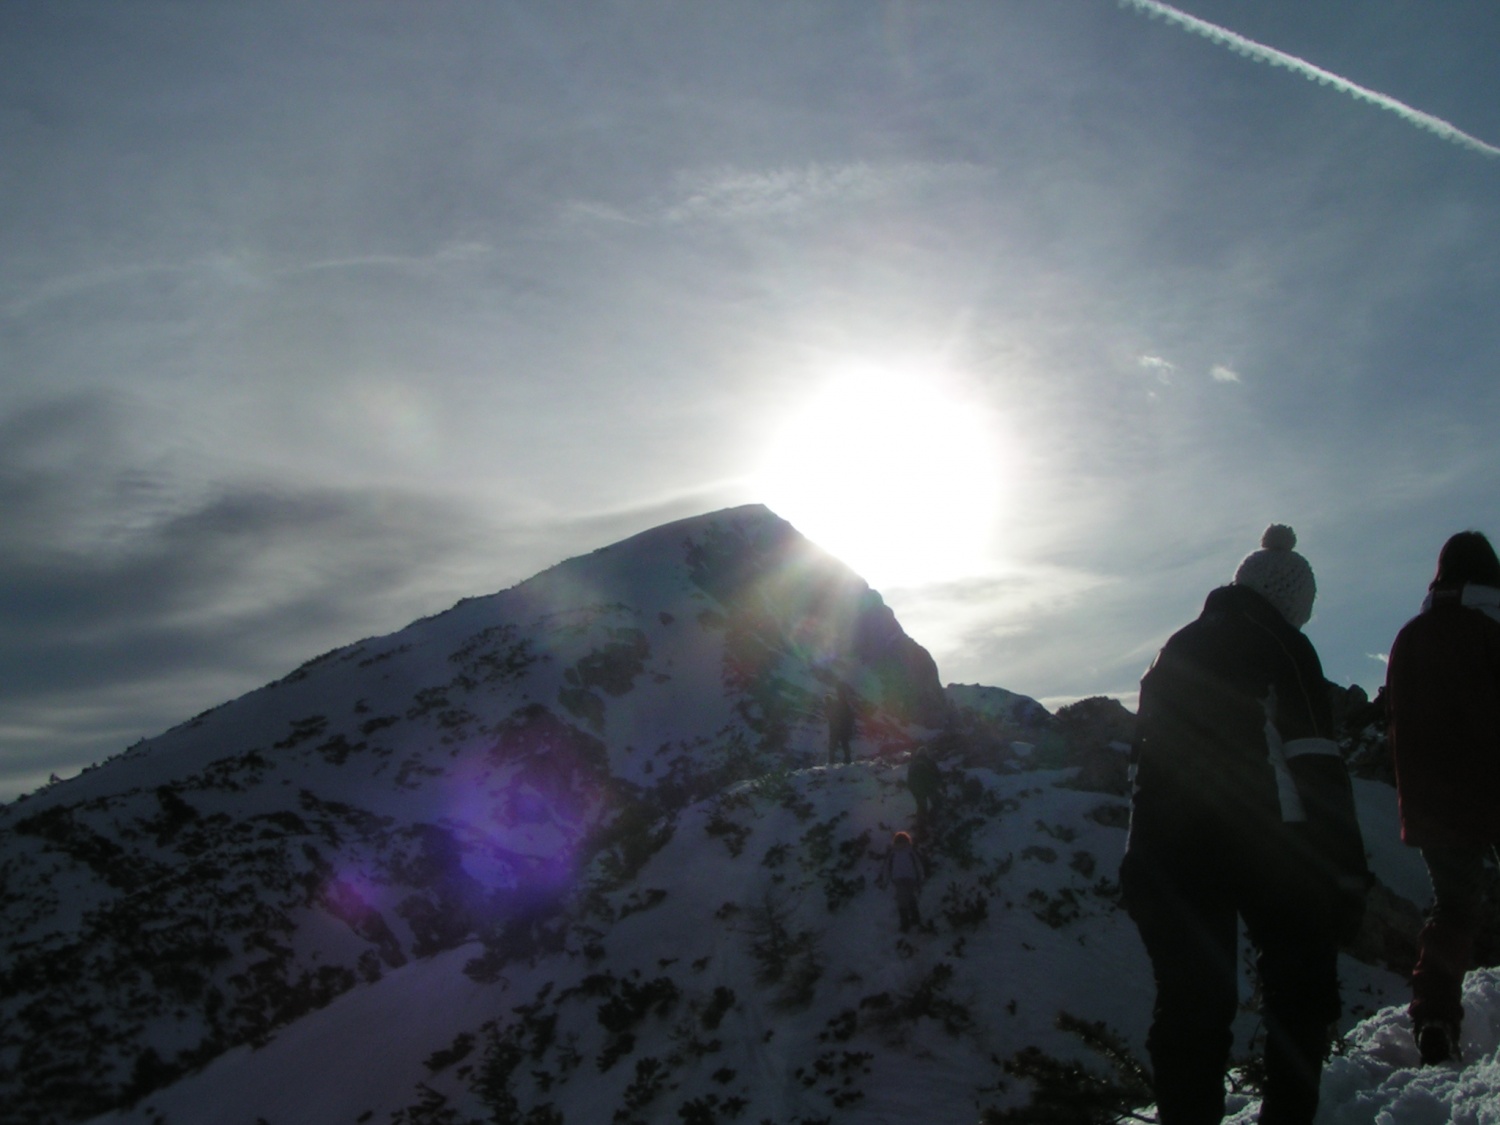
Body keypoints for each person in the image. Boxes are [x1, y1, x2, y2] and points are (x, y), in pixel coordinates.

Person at [1120, 525, 1368, 1125]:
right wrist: (1345, 872)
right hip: (1262, 840)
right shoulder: (1284, 645)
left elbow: (1142, 761)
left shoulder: (1173, 649)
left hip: (1165, 849)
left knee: (1193, 1006)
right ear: (1291, 600)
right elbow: (1314, 762)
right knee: (1301, 988)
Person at [1386, 530, 1500, 1065]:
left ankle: (1434, 1015)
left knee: (1452, 908)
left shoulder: (1410, 636)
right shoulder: (1491, 630)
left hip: (1431, 799)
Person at [880, 831, 927, 933]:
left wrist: (885, 881)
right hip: (911, 877)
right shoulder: (910, 851)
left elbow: (886, 868)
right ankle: (915, 919)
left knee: (901, 900)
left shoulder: (893, 853)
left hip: (898, 878)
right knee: (911, 897)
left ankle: (905, 924)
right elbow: (918, 865)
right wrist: (921, 877)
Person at [907, 748, 942, 823]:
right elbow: (937, 775)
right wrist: (938, 785)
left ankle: (921, 824)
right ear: (926, 754)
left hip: (915, 788)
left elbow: (909, 779)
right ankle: (932, 820)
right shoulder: (930, 762)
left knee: (922, 806)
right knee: (937, 802)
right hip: (929, 787)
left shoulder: (913, 763)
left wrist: (912, 788)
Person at [826, 681, 856, 766]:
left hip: (837, 729)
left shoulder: (834, 706)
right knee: (844, 743)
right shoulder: (842, 705)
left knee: (834, 745)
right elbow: (850, 716)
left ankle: (831, 761)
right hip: (843, 728)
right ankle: (847, 759)